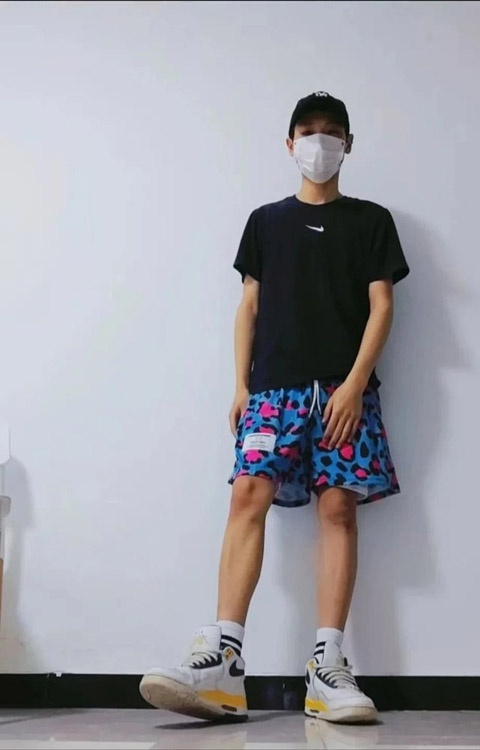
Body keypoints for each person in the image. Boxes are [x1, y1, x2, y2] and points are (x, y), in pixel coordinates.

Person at [140, 91, 409, 725]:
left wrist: (354, 384)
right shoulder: (265, 221)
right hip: (272, 391)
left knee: (338, 507)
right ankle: (223, 660)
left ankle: (328, 666)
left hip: (343, 391)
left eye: (332, 131)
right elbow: (249, 306)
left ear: (348, 144)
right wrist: (241, 386)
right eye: (308, 131)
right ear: (290, 144)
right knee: (247, 494)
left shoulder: (371, 221)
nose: (320, 142)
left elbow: (382, 306)